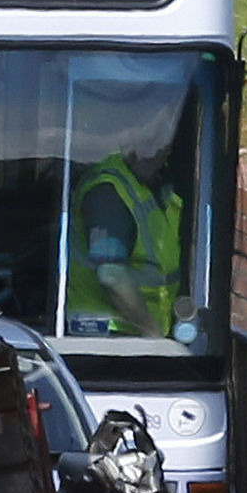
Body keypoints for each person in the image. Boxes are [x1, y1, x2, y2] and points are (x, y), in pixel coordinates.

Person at [70, 143, 196, 345]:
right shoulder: (109, 191)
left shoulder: (153, 189)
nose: (147, 152)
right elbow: (111, 276)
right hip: (103, 337)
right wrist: (153, 335)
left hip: (134, 337)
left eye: (158, 145)